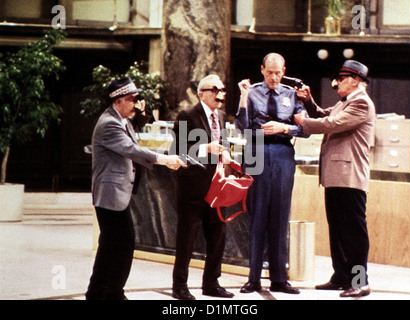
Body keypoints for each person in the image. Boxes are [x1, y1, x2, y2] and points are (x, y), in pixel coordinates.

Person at [86, 77, 185, 300]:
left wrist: (139, 116)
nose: (135, 103)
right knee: (123, 242)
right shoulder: (109, 123)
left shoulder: (122, 120)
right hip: (110, 194)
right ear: (118, 101)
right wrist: (164, 159)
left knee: (109, 244)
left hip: (117, 192)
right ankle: (114, 293)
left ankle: (96, 292)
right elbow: (131, 150)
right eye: (131, 99)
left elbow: (132, 141)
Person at [294, 60, 376, 298]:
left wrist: (303, 122)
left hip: (349, 177)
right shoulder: (346, 102)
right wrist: (308, 102)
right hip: (336, 176)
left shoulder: (360, 102)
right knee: (338, 229)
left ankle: (360, 282)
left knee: (354, 232)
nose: (336, 82)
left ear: (355, 80)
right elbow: (323, 114)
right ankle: (341, 276)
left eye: (341, 78)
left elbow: (330, 124)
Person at [235, 53, 307, 295]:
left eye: (278, 73)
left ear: (284, 70)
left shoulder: (292, 94)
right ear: (262, 69)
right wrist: (243, 97)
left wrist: (284, 127)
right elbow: (243, 127)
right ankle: (253, 278)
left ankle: (279, 278)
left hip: (283, 154)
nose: (274, 77)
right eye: (269, 72)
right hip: (255, 152)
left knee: (280, 215)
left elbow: (304, 128)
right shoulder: (251, 92)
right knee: (257, 217)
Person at [171, 74, 234, 300]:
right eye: (214, 89)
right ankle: (179, 285)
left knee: (218, 235)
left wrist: (226, 154)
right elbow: (178, 150)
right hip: (193, 188)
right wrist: (205, 148)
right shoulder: (187, 116)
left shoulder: (222, 116)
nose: (220, 94)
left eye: (222, 90)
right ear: (201, 93)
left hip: (217, 187)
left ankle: (211, 283)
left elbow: (223, 145)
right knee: (187, 238)